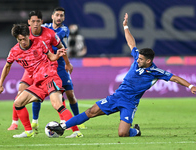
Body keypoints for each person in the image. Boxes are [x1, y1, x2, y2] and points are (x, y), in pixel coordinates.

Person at [47, 13, 196, 137]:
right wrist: (125, 26)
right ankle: (63, 126)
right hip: (117, 96)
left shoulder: (156, 72)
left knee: (122, 134)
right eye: (138, 58)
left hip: (129, 104)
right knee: (91, 111)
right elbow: (132, 44)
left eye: (141, 59)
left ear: (149, 61)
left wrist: (190, 85)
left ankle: (135, 131)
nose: (138, 60)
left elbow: (175, 78)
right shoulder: (137, 58)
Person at [7, 10, 83, 138]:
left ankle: (76, 131)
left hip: (50, 73)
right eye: (33, 21)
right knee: (18, 101)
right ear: (29, 23)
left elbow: (55, 53)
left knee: (61, 101)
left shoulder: (50, 34)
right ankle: (26, 128)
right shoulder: (25, 37)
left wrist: (66, 62)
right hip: (36, 75)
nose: (35, 24)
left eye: (38, 21)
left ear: (41, 22)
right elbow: (8, 64)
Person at [0, 23, 71, 138]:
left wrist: (57, 55)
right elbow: (7, 67)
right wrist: (0, 84)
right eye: (19, 40)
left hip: (49, 77)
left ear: (28, 35)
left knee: (57, 104)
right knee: (18, 102)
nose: (23, 42)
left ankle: (76, 131)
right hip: (37, 83)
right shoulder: (14, 51)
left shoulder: (39, 43)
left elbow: (51, 56)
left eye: (24, 38)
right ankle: (28, 131)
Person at [40, 7, 86, 130]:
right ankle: (34, 121)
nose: (59, 17)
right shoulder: (44, 26)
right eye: (57, 15)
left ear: (64, 18)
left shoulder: (64, 29)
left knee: (70, 94)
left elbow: (53, 38)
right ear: (52, 16)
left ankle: (78, 120)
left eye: (61, 15)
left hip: (60, 63)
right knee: (40, 94)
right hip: (46, 64)